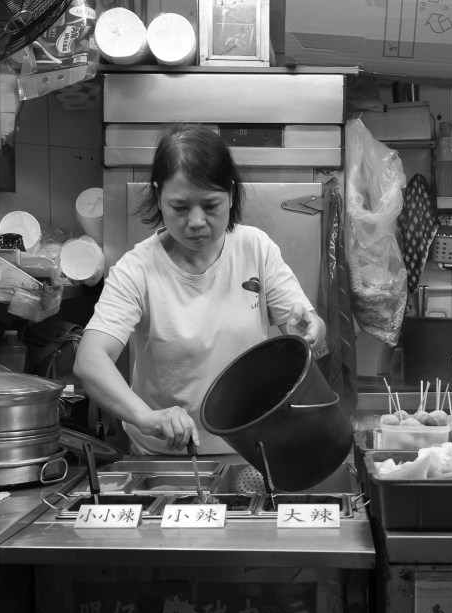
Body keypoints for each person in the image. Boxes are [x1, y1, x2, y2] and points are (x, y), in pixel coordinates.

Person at [74, 123, 326, 455]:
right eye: (180, 207)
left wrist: (311, 329)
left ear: (230, 194)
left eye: (210, 206)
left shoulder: (255, 248)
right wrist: (147, 417)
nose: (196, 221)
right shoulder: (137, 269)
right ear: (158, 196)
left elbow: (302, 326)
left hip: (249, 448)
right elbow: (90, 360)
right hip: (166, 455)